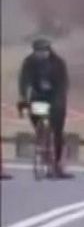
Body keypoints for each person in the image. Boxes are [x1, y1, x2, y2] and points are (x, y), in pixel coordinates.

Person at [15, 37, 71, 179]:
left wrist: (59, 100)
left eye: (42, 51)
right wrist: (23, 96)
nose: (40, 54)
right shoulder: (29, 62)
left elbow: (63, 84)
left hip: (55, 96)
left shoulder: (58, 63)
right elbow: (24, 80)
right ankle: (41, 138)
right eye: (37, 52)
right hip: (38, 96)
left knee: (57, 130)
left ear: (48, 51)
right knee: (36, 117)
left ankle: (57, 163)